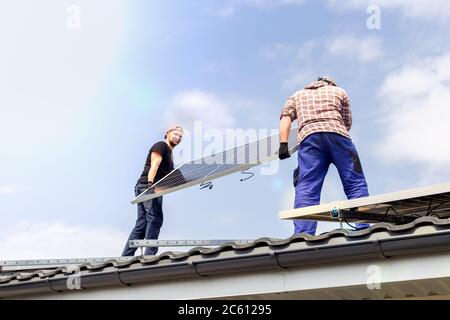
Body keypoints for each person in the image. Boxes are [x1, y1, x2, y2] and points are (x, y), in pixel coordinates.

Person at [278, 76, 369, 235]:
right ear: (330, 83)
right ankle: (363, 228)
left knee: (307, 187)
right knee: (354, 181)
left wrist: (283, 144)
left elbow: (286, 117)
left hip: (309, 140)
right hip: (339, 137)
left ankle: (302, 235)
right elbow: (347, 123)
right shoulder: (339, 91)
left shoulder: (297, 95)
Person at [122, 125, 183, 256]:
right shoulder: (161, 145)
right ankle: (150, 253)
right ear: (167, 133)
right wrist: (150, 184)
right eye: (176, 134)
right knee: (154, 218)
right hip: (149, 186)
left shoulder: (169, 153)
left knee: (142, 223)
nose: (178, 137)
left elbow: (170, 175)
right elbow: (155, 163)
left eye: (180, 136)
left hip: (148, 187)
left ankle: (126, 256)